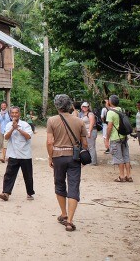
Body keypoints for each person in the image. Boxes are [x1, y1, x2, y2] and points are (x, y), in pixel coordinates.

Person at [47, 94, 88, 233]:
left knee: (59, 184)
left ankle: (63, 213)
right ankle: (70, 221)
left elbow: (49, 142)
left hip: (58, 156)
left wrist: (50, 157)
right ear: (70, 105)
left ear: (57, 106)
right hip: (74, 158)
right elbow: (85, 144)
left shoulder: (51, 121)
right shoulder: (80, 121)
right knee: (73, 185)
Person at [0, 106, 34, 201]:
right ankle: (6, 193)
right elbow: (6, 137)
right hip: (13, 153)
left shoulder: (25, 125)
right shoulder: (8, 125)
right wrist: (12, 129)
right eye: (12, 113)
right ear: (10, 114)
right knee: (9, 174)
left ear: (19, 114)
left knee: (28, 175)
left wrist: (18, 129)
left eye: (16, 113)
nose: (14, 115)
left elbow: (28, 137)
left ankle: (30, 193)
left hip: (25, 154)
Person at [105, 95, 132, 182]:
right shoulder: (121, 110)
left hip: (115, 137)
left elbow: (109, 127)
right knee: (126, 157)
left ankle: (121, 176)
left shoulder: (110, 113)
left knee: (119, 157)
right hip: (123, 137)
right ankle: (129, 175)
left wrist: (106, 139)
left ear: (110, 102)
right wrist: (107, 105)